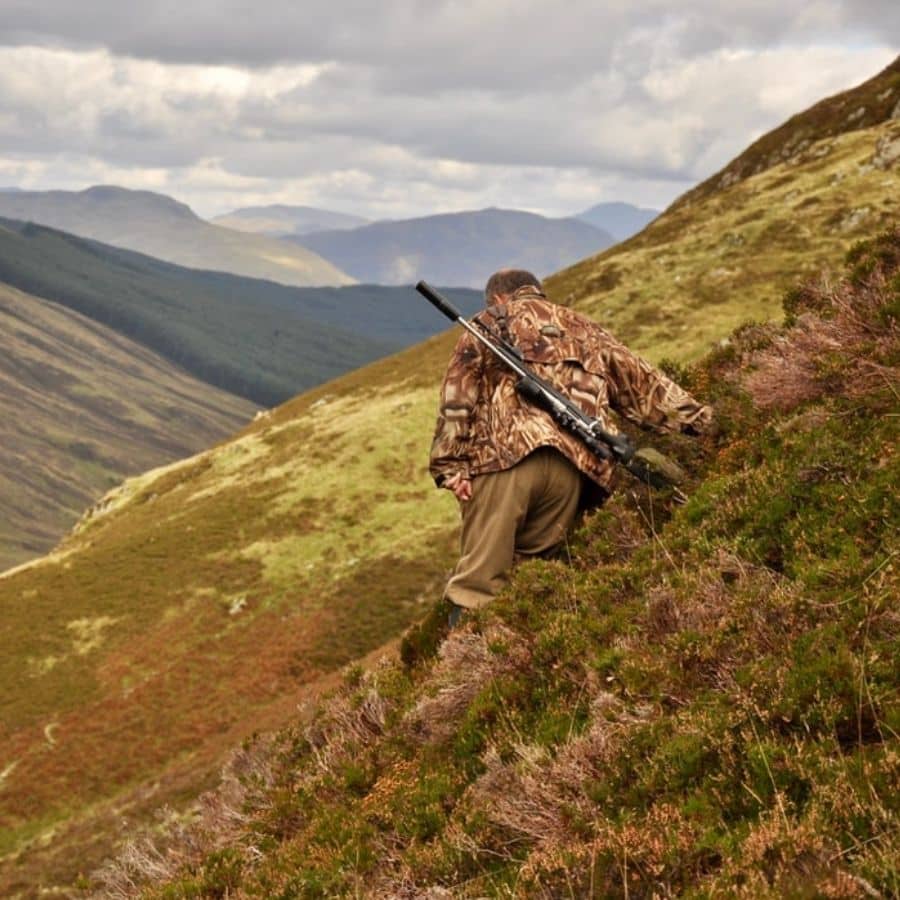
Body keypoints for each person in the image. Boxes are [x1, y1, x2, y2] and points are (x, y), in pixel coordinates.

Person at [429, 268, 712, 624]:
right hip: (574, 473)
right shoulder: (586, 329)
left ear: (499, 298)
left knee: (477, 588)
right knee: (533, 579)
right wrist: (705, 422)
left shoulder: (486, 324)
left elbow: (457, 399)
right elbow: (647, 389)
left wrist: (449, 468)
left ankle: (468, 668)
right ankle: (525, 663)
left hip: (505, 461)